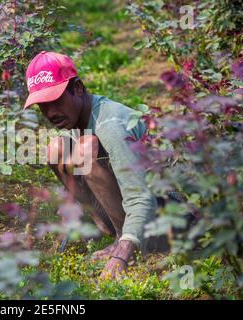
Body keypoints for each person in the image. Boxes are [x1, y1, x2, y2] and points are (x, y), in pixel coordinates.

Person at [23, 51, 164, 280]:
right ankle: (110, 231)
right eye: (43, 105)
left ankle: (127, 242)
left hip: (167, 213)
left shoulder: (110, 125)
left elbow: (141, 197)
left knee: (84, 152)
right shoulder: (79, 118)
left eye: (56, 100)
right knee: (56, 149)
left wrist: (122, 255)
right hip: (139, 208)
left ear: (78, 88)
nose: (50, 112)